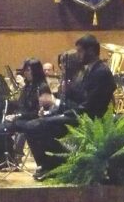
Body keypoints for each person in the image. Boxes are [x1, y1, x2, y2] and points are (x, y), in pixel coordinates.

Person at [26, 35, 116, 179]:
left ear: (91, 50)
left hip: (91, 119)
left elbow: (91, 105)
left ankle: (54, 167)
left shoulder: (101, 72)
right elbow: (79, 99)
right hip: (81, 114)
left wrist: (62, 110)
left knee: (40, 126)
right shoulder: (89, 71)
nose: (78, 55)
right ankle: (47, 165)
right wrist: (60, 107)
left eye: (80, 51)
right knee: (30, 126)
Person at [0, 57, 49, 170]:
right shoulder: (27, 86)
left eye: (28, 70)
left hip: (32, 120)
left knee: (1, 130)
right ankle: (2, 162)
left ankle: (12, 162)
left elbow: (37, 111)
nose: (25, 73)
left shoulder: (42, 87)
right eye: (25, 70)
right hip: (22, 118)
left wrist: (18, 116)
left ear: (35, 71)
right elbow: (21, 105)